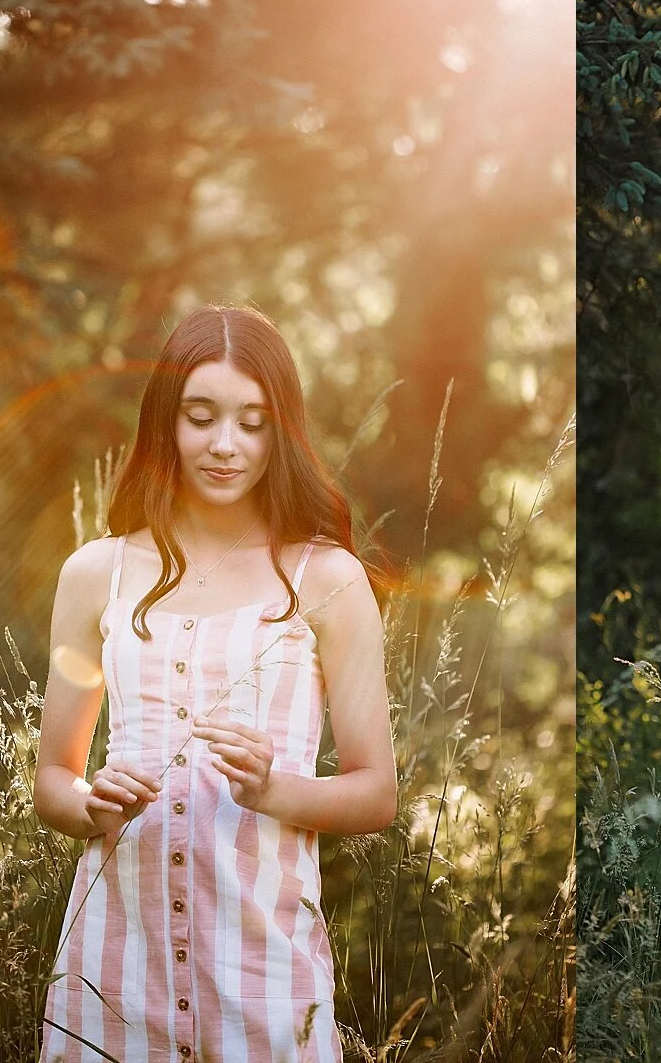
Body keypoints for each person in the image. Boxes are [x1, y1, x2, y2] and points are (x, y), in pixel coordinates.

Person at [33, 304, 398, 1062]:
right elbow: (52, 779)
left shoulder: (327, 580)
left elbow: (377, 792)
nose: (225, 445)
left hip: (264, 984)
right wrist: (88, 802)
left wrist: (274, 790)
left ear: (281, 430)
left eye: (252, 422)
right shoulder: (97, 573)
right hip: (109, 979)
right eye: (200, 417)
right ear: (166, 421)